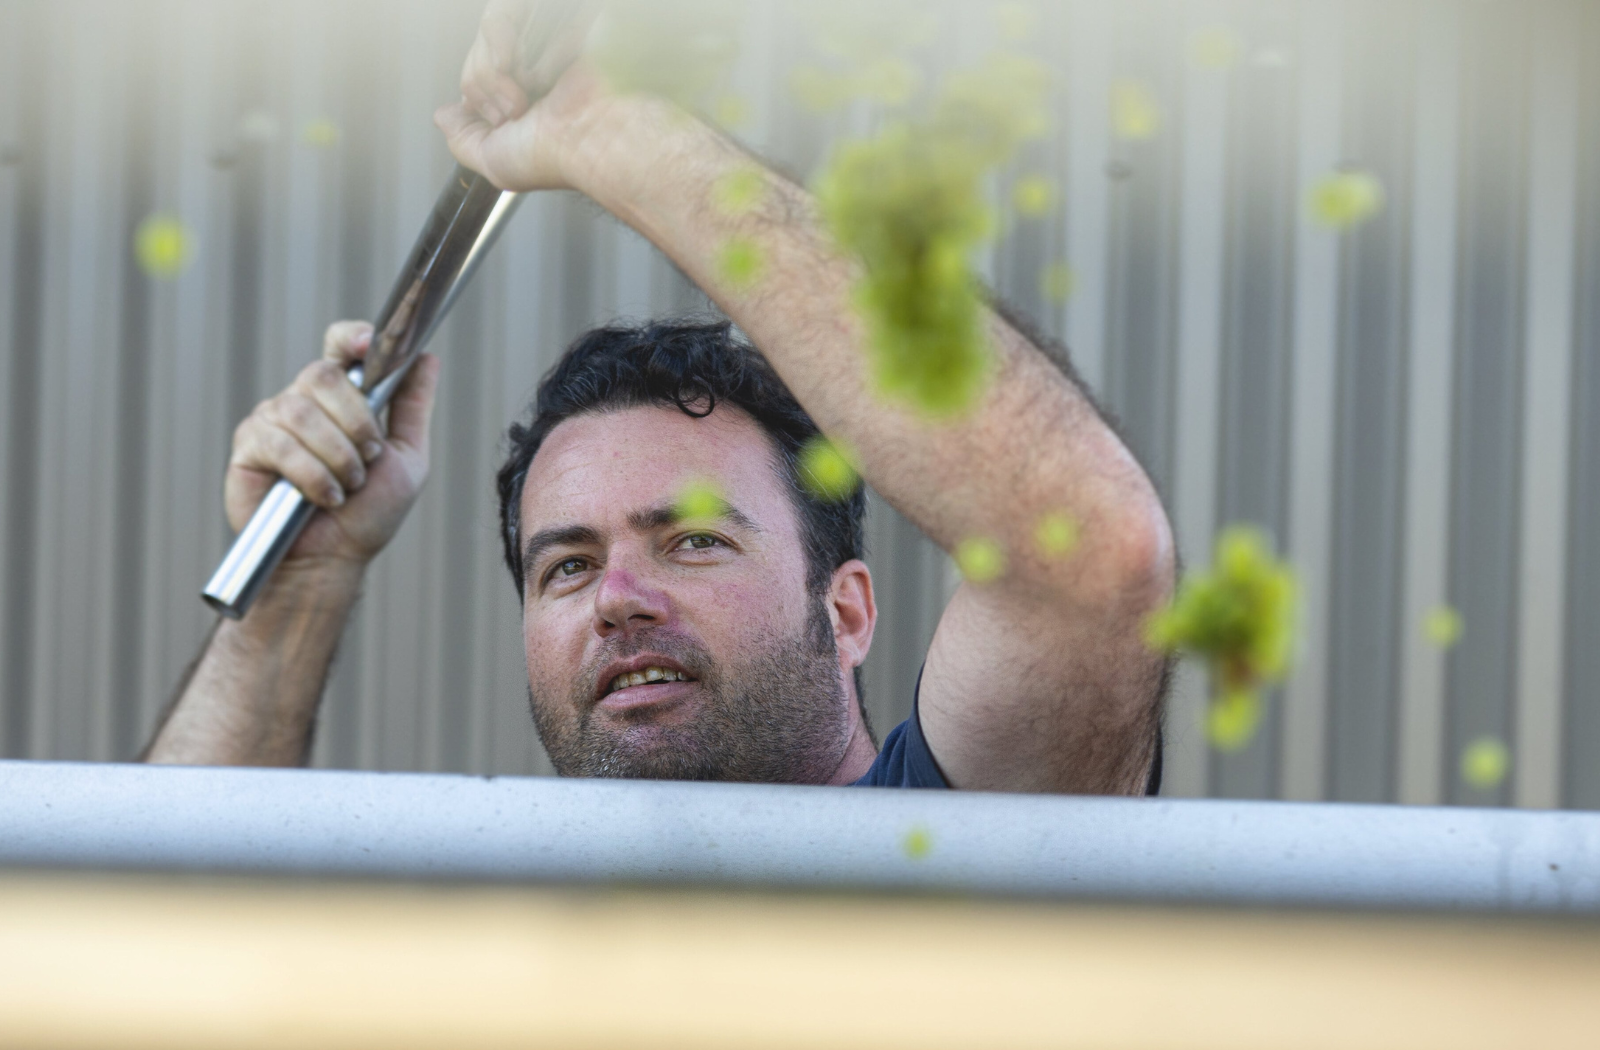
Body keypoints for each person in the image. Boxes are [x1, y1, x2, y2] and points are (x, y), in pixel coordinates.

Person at [144, 3, 1176, 794]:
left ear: (848, 610)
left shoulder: (950, 852)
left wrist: (619, 136)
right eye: (567, 565)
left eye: (690, 541)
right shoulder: (486, 952)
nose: (617, 599)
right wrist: (299, 582)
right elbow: (146, 956)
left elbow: (1086, 550)